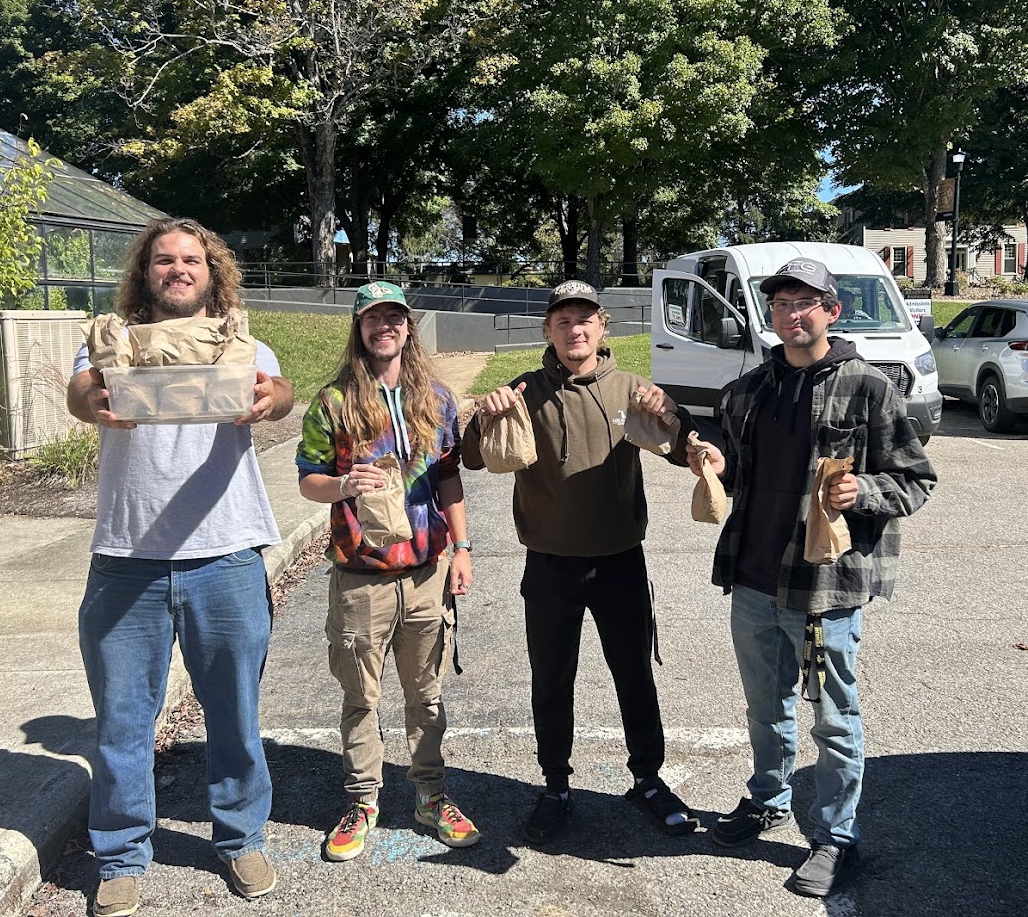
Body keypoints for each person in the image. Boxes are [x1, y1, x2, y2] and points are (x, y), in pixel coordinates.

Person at [67, 217, 296, 917]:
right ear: (146, 272)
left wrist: (269, 400)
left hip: (225, 554)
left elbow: (278, 393)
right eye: (163, 259)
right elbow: (81, 392)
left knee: (234, 714)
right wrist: (94, 403)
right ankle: (121, 853)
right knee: (123, 722)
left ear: (211, 270)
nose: (176, 268)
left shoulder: (243, 343)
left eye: (189, 259)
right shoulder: (113, 342)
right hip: (126, 559)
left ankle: (240, 837)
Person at [689, 258, 936, 898]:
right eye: (779, 304)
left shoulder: (869, 388)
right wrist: (717, 462)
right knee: (765, 705)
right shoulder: (747, 391)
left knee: (834, 714)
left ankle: (834, 836)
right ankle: (767, 797)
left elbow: (917, 479)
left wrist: (867, 489)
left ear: (832, 311)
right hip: (751, 578)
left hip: (826, 587)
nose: (790, 314)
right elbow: (739, 476)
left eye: (805, 302)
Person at [461, 279, 697, 846]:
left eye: (585, 319)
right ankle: (555, 786)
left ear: (603, 326)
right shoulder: (523, 392)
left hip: (620, 561)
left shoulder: (633, 389)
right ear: (548, 330)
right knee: (551, 677)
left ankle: (647, 779)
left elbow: (684, 443)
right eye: (563, 321)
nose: (575, 330)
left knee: (635, 674)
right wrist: (484, 416)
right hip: (549, 564)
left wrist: (679, 423)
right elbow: (470, 457)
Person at [296, 281, 479, 862]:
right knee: (361, 698)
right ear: (360, 327)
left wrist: (463, 547)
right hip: (361, 576)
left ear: (408, 326)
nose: (385, 327)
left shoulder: (437, 399)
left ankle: (430, 794)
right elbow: (308, 479)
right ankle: (362, 800)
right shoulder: (333, 403)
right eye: (373, 318)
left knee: (426, 694)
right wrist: (345, 484)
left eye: (394, 317)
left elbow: (448, 476)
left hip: (425, 573)